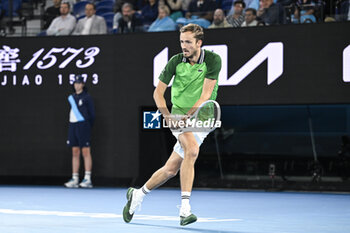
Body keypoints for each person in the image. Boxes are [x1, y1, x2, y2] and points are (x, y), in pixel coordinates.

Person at [122, 23, 221, 226]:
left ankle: (137, 195)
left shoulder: (213, 59)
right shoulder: (175, 61)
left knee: (170, 169)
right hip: (177, 115)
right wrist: (167, 115)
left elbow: (206, 94)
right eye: (181, 41)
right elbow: (158, 93)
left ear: (199, 43)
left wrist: (192, 115)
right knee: (192, 150)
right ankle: (185, 210)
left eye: (188, 42)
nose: (184, 46)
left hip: (203, 118)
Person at [65, 75, 95, 188]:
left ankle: (87, 178)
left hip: (84, 125)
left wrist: (87, 125)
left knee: (86, 151)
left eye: (79, 83)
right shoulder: (71, 97)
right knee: (75, 151)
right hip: (73, 125)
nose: (77, 85)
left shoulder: (87, 97)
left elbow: (92, 115)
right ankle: (75, 178)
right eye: (75, 83)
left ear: (82, 84)